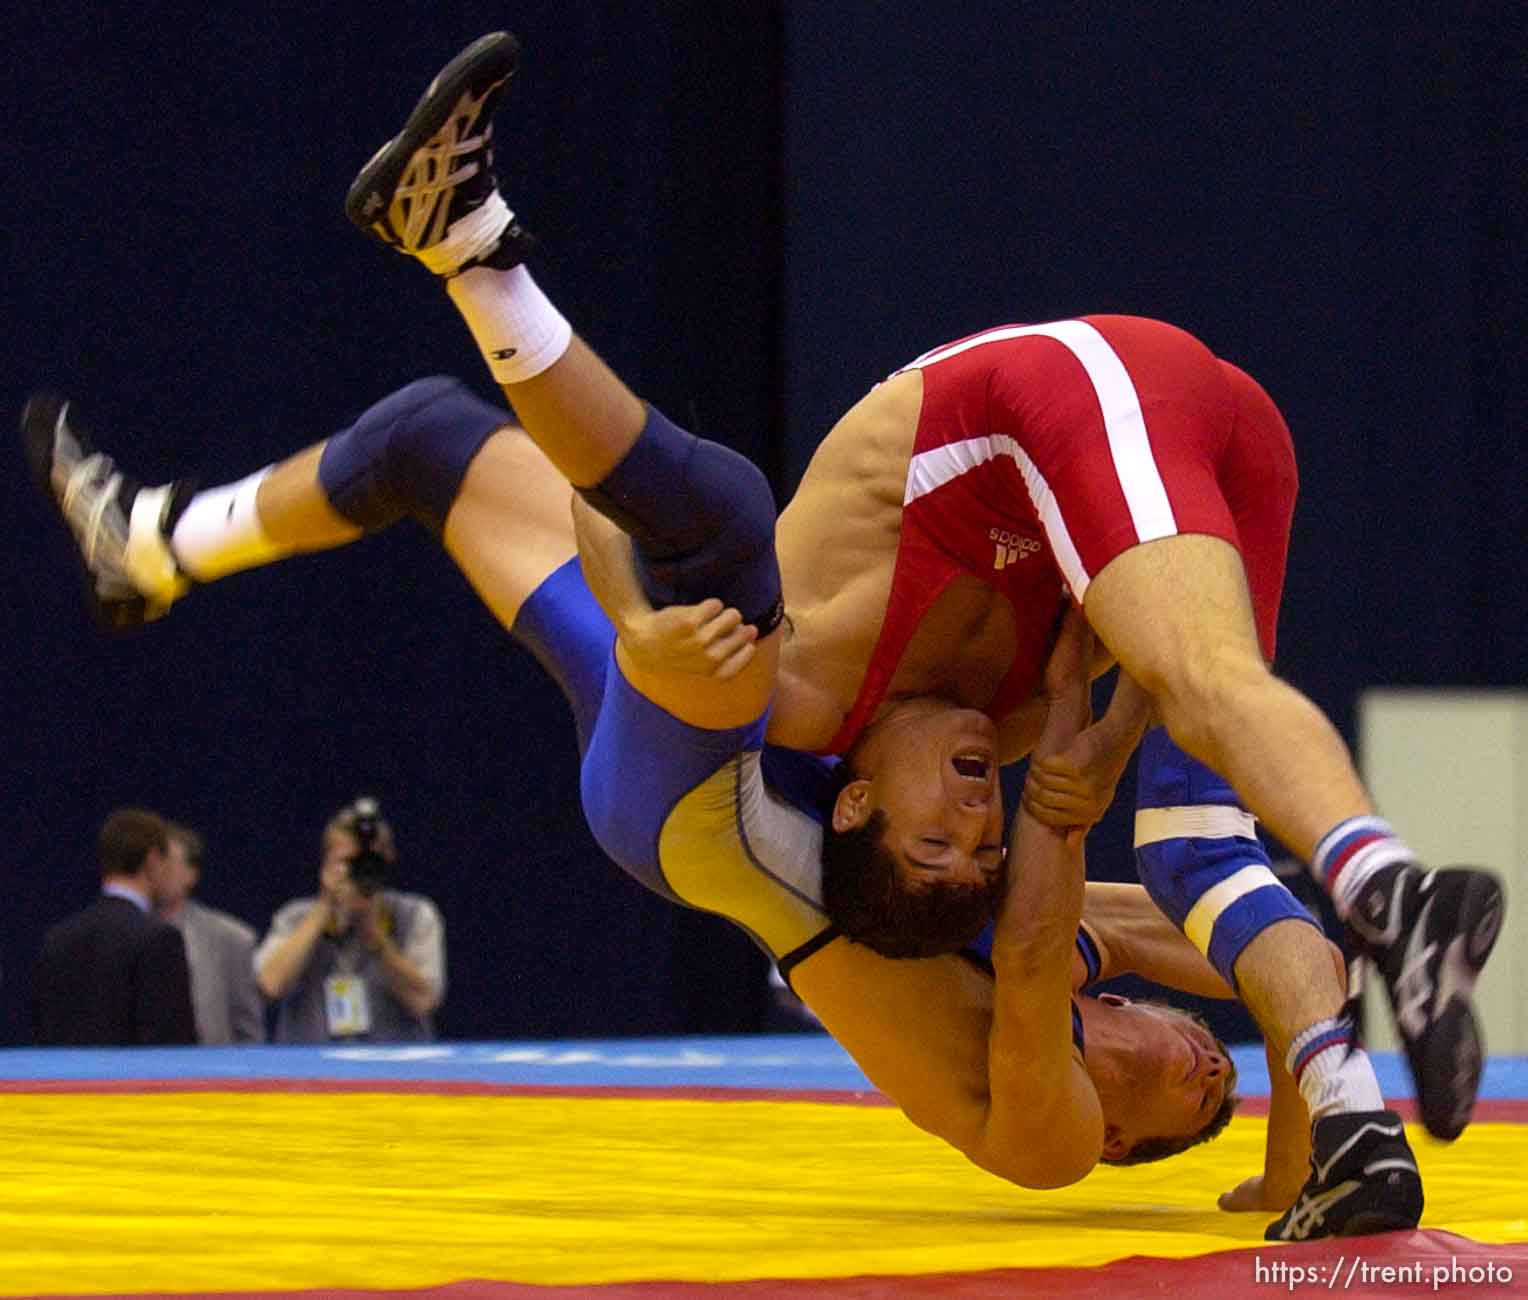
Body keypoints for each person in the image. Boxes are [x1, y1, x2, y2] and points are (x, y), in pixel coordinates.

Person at [16, 32, 1405, 1235]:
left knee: (724, 531)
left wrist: (1084, 750)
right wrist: (1309, 1116)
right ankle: (155, 546)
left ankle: (473, 248)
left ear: (1125, 1137)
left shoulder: (1042, 1129)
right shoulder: (1059, 917)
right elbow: (1256, 938)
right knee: (436, 444)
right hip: (700, 753)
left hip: (688, 803)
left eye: (1186, 1098)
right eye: (1210, 1059)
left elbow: (1036, 945)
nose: (1195, 1065)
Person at [253, 800, 445, 1043]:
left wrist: (376, 938)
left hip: (393, 1070)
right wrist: (323, 909)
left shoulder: (416, 915)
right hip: (313, 1070)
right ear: (326, 863)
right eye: (347, 862)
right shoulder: (296, 917)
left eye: (367, 861)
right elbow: (269, 985)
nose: (358, 872)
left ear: (387, 860)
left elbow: (423, 1001)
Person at [36, 807, 197, 1046]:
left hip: (69, 1082)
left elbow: (46, 1038)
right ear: (152, 861)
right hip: (135, 1082)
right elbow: (172, 1043)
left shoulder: (57, 939)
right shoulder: (160, 940)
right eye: (167, 863)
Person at [155, 822, 265, 1044]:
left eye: (167, 863)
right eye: (153, 863)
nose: (157, 871)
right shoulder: (126, 936)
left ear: (191, 874)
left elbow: (248, 1031)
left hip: (211, 1071)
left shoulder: (231, 938)